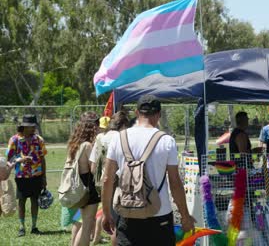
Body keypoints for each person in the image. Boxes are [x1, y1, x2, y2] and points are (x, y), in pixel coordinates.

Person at [101, 94, 195, 245]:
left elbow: (107, 179)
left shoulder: (118, 138)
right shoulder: (166, 141)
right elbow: (175, 183)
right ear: (158, 114)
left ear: (137, 113)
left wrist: (106, 213)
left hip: (127, 212)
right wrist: (185, 216)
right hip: (160, 214)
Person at [90, 111, 129, 246]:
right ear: (123, 124)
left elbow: (93, 163)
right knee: (117, 223)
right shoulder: (120, 136)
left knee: (106, 213)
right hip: (117, 181)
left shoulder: (100, 136)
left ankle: (96, 237)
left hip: (101, 181)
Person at [6, 114, 47, 237]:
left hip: (36, 175)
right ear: (24, 127)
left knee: (35, 200)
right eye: (30, 126)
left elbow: (42, 158)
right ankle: (21, 227)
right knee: (22, 201)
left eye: (34, 126)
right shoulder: (14, 140)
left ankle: (34, 226)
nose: (33, 128)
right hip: (21, 176)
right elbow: (9, 158)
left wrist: (44, 177)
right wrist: (20, 160)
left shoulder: (39, 139)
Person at [66, 111, 101, 246]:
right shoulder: (87, 145)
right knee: (86, 226)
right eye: (97, 125)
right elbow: (93, 169)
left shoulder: (74, 144)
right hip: (88, 187)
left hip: (77, 186)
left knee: (83, 223)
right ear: (93, 127)